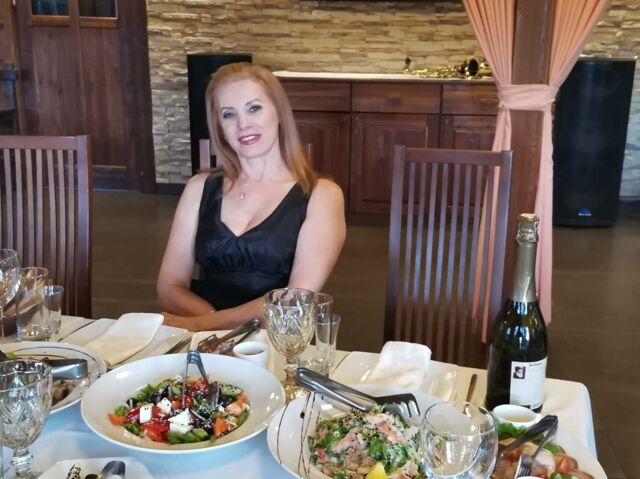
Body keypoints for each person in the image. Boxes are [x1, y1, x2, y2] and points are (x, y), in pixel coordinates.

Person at [158, 63, 346, 331]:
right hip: (202, 340)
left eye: (254, 108)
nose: (243, 124)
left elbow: (294, 300)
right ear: (219, 126)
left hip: (278, 342)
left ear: (279, 112)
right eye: (229, 114)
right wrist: (216, 328)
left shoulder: (322, 195)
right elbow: (169, 287)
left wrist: (203, 324)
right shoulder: (199, 188)